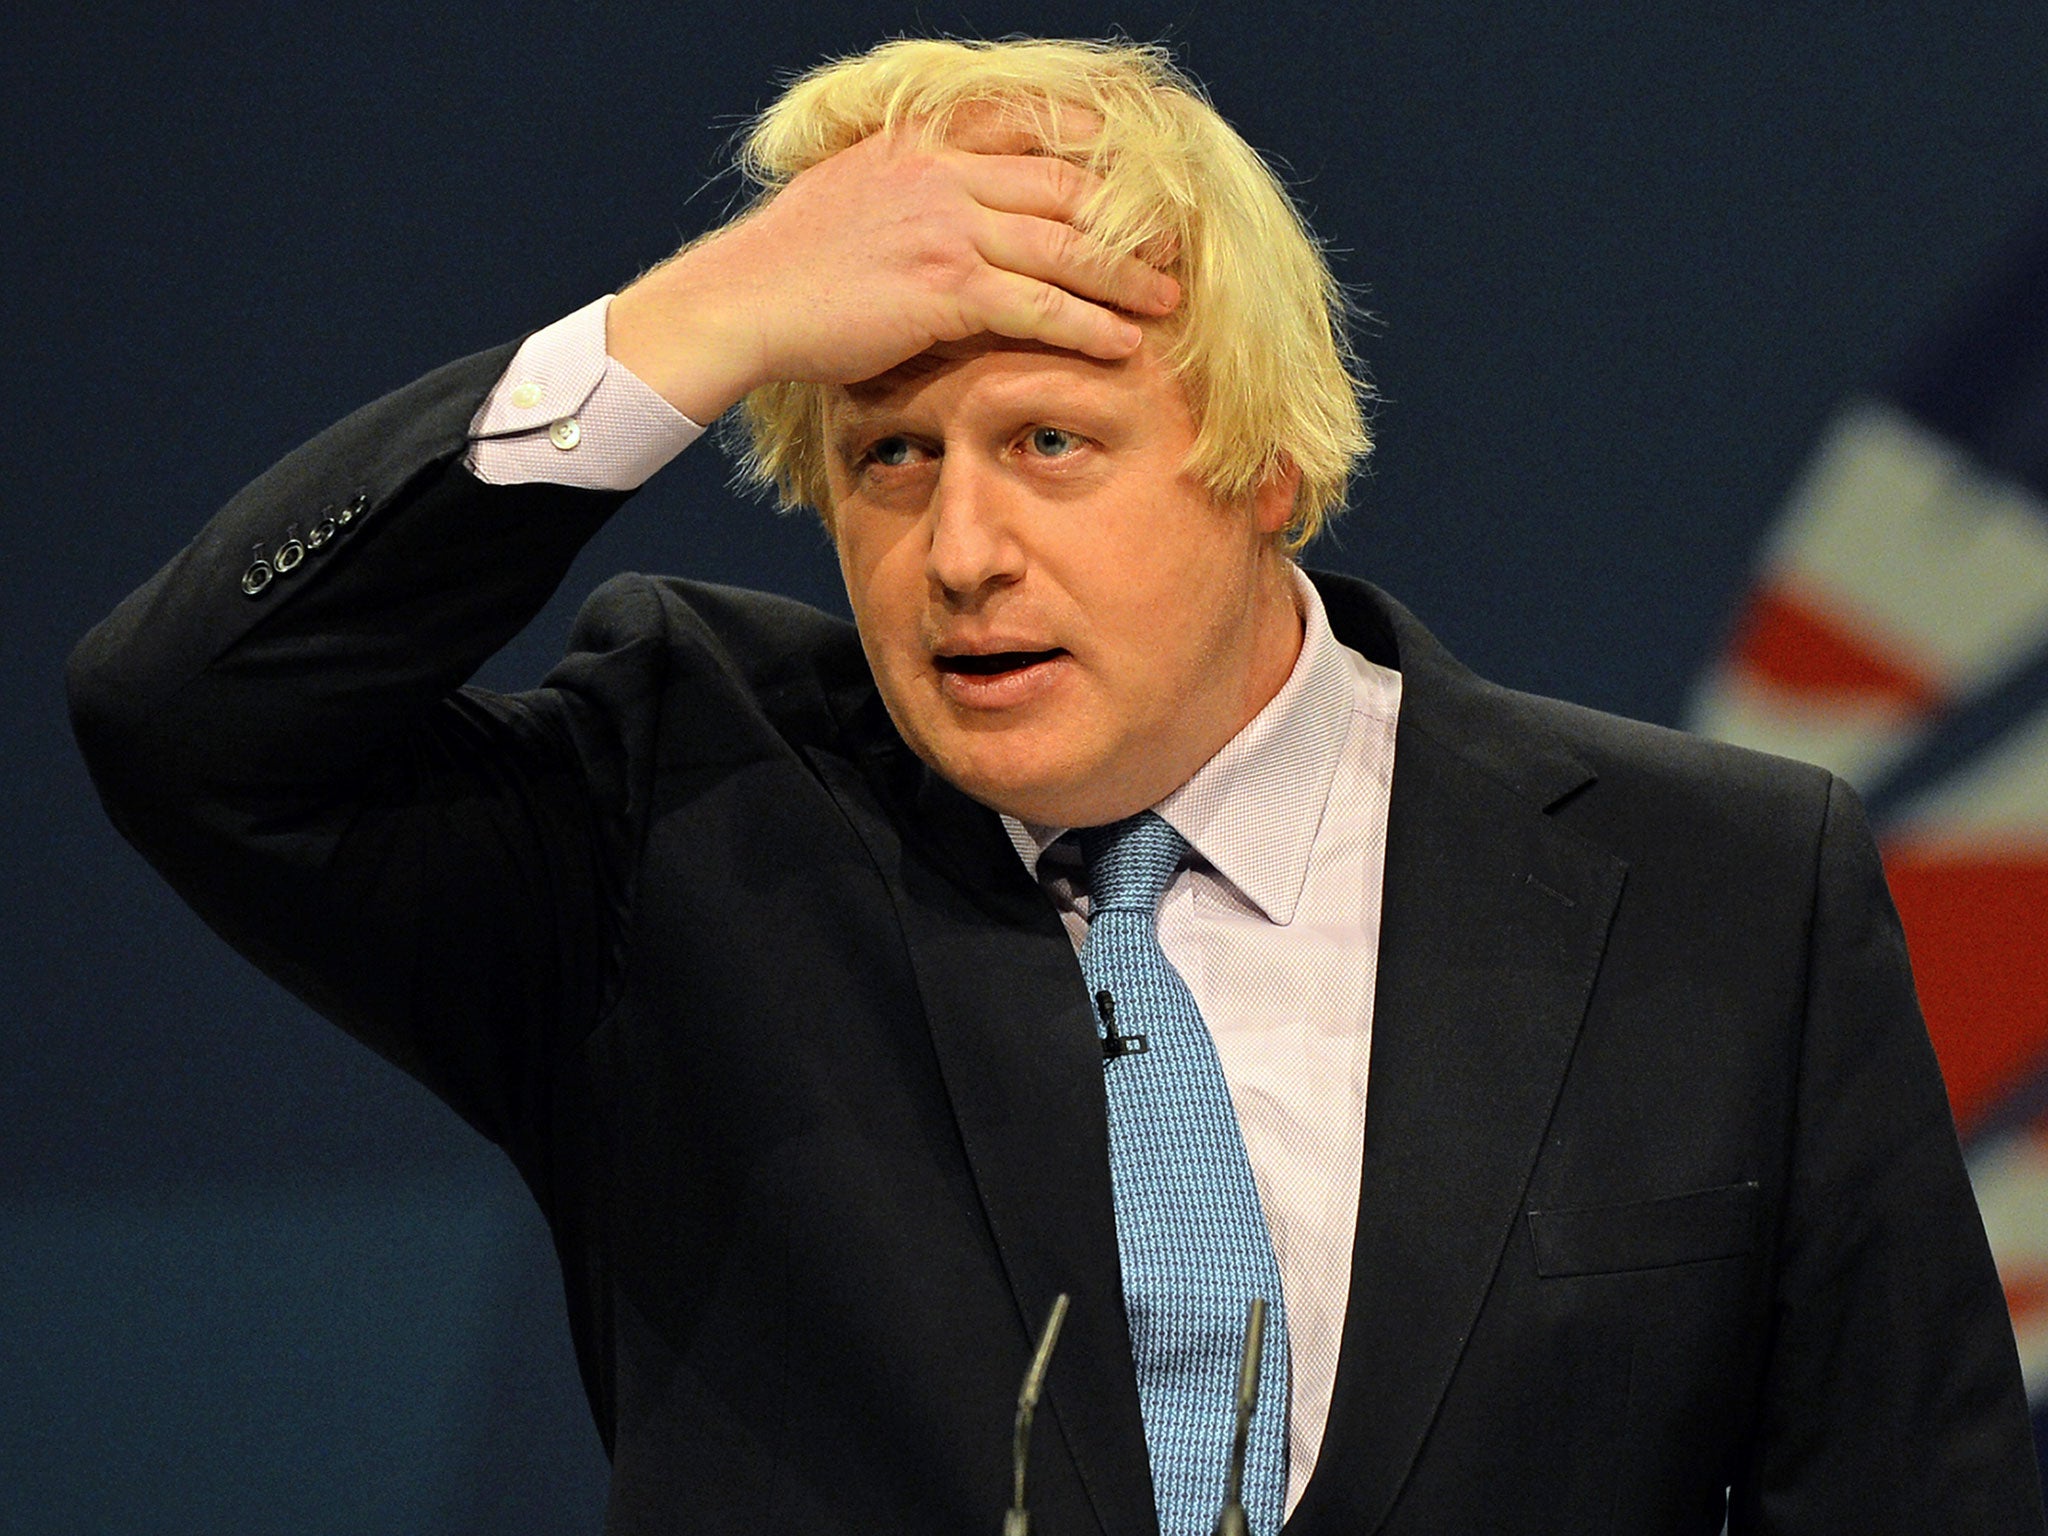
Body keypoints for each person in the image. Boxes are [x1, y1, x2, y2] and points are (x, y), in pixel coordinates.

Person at [68, 35, 2041, 1536]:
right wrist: (689, 322)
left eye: (1051, 442)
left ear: (1266, 460)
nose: (961, 551)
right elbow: (194, 721)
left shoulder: (1715, 886)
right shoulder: (677, 827)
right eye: (889, 457)